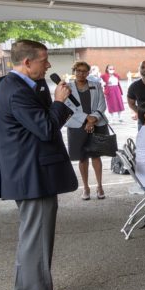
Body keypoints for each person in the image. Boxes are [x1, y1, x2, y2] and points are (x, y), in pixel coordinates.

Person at [0, 40, 77, 290]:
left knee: (30, 237)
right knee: (37, 238)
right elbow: (46, 128)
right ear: (27, 62)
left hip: (27, 171)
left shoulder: (15, 86)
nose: (48, 65)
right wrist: (60, 102)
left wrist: (50, 98)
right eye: (44, 60)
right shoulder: (16, 92)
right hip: (31, 173)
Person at [63, 61, 110, 201]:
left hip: (97, 124)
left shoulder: (96, 85)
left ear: (88, 73)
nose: (80, 73)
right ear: (74, 71)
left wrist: (92, 119)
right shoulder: (68, 88)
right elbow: (67, 108)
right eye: (78, 70)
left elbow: (102, 105)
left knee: (96, 156)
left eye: (84, 71)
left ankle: (100, 186)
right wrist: (86, 119)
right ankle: (86, 187)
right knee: (82, 158)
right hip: (77, 126)